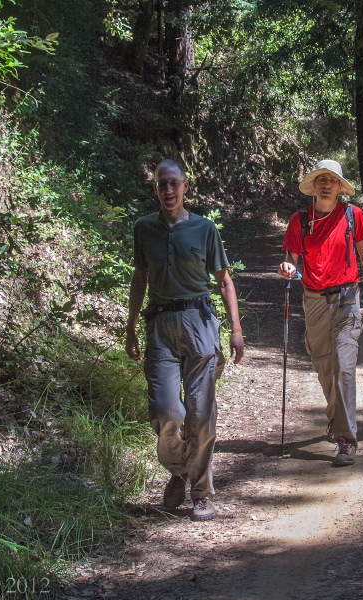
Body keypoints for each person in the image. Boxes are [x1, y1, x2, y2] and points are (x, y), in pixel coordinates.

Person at [125, 159, 244, 521]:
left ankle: (201, 491)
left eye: (174, 183)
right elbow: (140, 278)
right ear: (156, 188)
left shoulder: (205, 229)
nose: (168, 190)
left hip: (199, 320)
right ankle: (179, 468)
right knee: (166, 410)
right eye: (162, 184)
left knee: (200, 411)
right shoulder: (144, 229)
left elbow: (224, 281)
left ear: (186, 186)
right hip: (160, 324)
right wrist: (130, 326)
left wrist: (236, 330)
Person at [277, 159, 363, 466]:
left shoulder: (353, 214)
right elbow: (291, 259)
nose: (326, 184)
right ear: (314, 185)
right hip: (314, 300)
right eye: (321, 179)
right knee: (323, 366)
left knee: (344, 366)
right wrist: (288, 267)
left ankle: (346, 438)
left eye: (332, 180)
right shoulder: (299, 219)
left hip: (348, 298)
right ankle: (336, 419)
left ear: (339, 187)